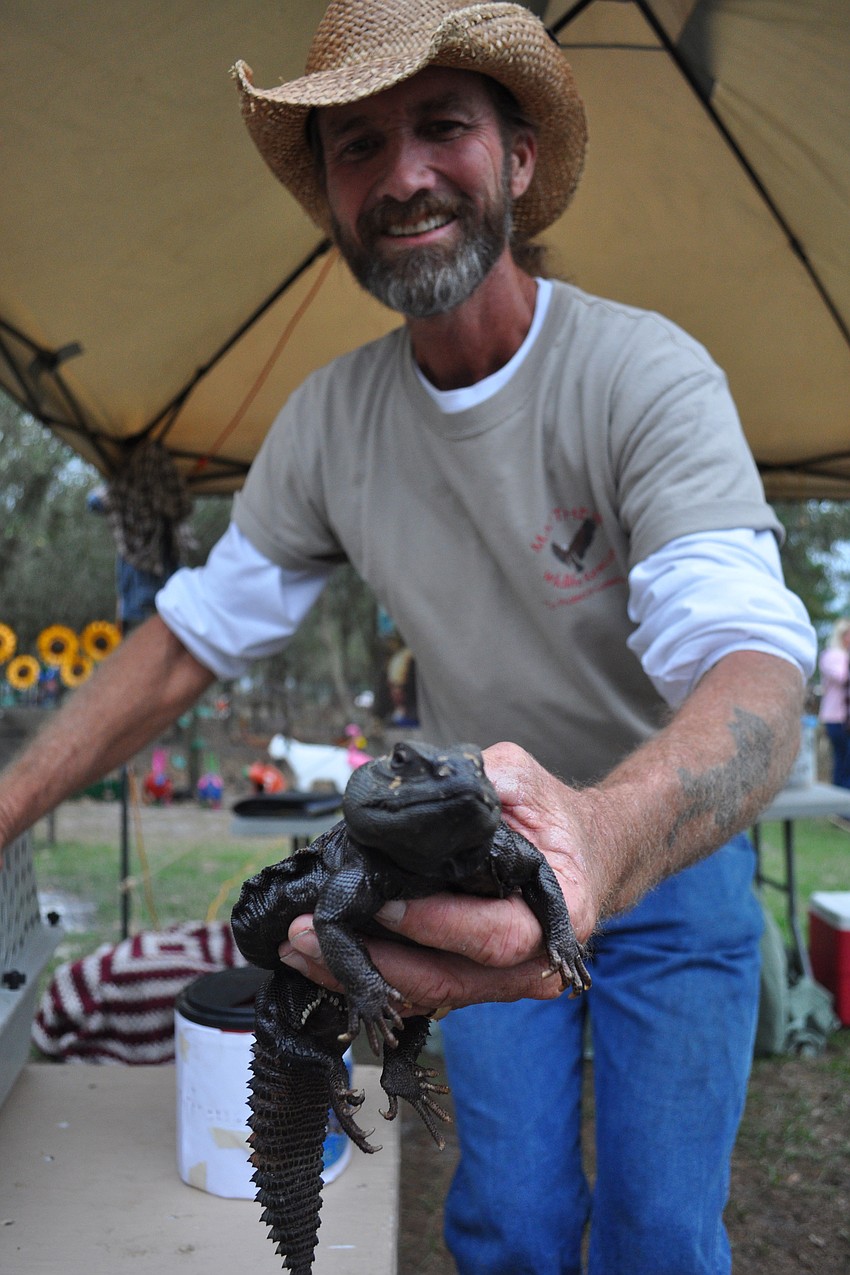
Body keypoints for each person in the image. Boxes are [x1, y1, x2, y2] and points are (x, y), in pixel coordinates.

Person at [0, 2, 817, 1271]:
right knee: (512, 1217)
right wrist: (6, 806)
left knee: (661, 1227)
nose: (404, 176)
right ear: (327, 195)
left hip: (670, 849)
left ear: (521, 160)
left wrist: (603, 836)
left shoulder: (643, 376)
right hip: (458, 863)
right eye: (357, 147)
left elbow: (750, 662)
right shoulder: (330, 425)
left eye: (442, 127)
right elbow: (188, 641)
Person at [818, 618, 850, 788]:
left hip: (846, 719)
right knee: (844, 760)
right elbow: (842, 677)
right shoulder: (831, 656)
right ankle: (842, 803)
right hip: (836, 718)